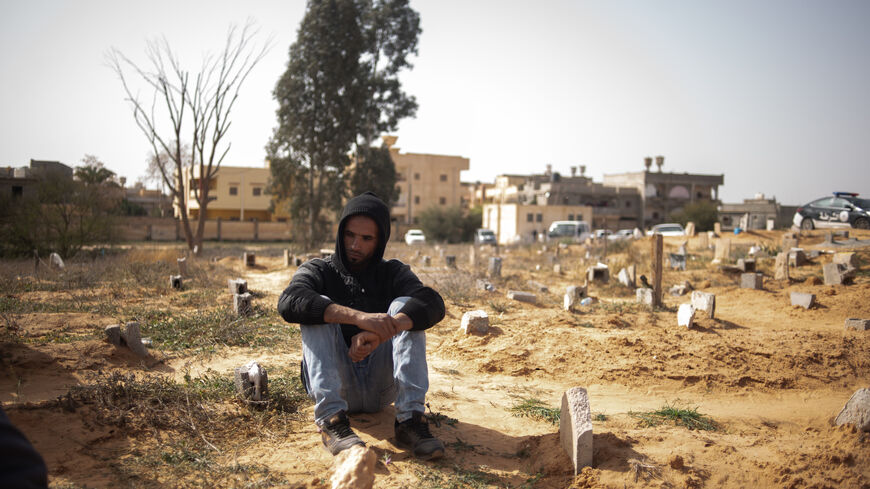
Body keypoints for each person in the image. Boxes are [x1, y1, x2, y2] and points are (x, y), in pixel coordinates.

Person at [278, 192, 446, 459]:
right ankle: (331, 422)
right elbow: (289, 301)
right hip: (334, 382)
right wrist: (359, 318)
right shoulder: (319, 270)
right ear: (340, 233)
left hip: (381, 387)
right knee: (317, 306)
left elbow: (433, 303)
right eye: (349, 235)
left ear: (380, 241)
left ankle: (410, 422)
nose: (355, 245)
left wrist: (384, 330)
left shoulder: (393, 272)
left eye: (366, 239)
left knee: (406, 304)